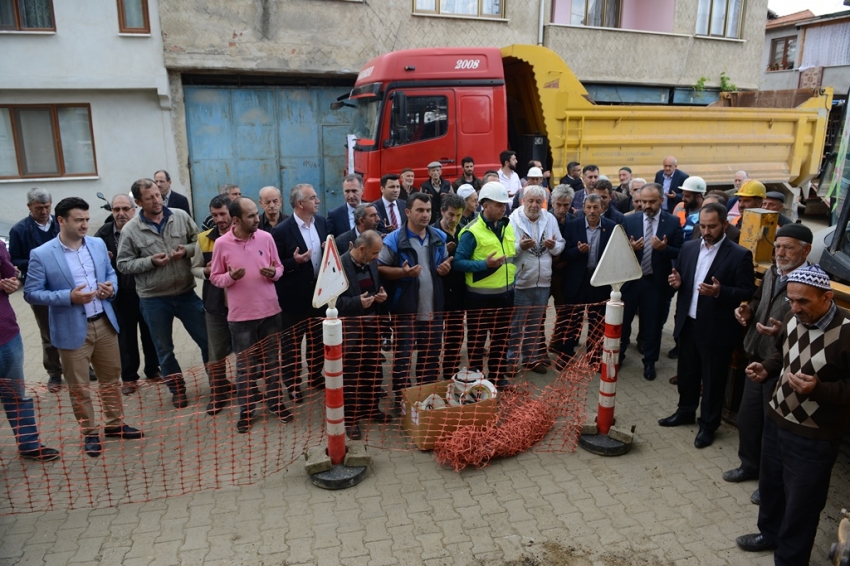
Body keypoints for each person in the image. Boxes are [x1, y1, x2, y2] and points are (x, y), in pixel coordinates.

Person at [735, 264, 850, 563]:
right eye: (792, 300)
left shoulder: (847, 332)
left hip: (815, 436)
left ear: (826, 297)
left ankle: (790, 558)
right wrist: (767, 368)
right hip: (776, 419)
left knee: (802, 504)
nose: (796, 308)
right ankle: (768, 533)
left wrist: (819, 389)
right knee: (771, 487)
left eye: (804, 302)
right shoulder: (790, 316)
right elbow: (782, 354)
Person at [25, 197, 144, 458]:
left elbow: (109, 273)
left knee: (111, 378)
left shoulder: (97, 244)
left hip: (103, 322)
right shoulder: (42, 254)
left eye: (87, 220)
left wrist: (110, 288)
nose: (84, 225)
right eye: (78, 220)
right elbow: (31, 293)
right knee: (79, 386)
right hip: (70, 328)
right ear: (61, 221)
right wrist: (68, 297)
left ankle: (115, 424)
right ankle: (90, 432)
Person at [722, 224, 812, 501]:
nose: (780, 252)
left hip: (784, 363)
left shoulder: (811, 280)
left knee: (774, 429)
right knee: (749, 419)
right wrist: (747, 311)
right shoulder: (773, 272)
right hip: (756, 356)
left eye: (788, 247)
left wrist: (781, 331)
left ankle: (770, 484)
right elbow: (760, 300)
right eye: (778, 246)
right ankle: (749, 466)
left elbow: (810, 322)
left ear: (806, 250)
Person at [660, 203, 755, 448]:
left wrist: (721, 292)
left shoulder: (739, 254)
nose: (706, 231)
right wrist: (677, 281)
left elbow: (746, 290)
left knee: (713, 380)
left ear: (725, 224)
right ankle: (685, 411)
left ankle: (709, 425)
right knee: (687, 372)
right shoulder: (689, 248)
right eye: (702, 226)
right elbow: (681, 277)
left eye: (712, 226)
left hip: (717, 328)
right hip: (688, 322)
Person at [117, 178, 209, 409]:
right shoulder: (130, 230)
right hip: (153, 299)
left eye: (157, 195)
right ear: (138, 202)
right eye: (149, 198)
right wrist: (149, 262)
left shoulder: (180, 216)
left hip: (186, 294)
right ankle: (177, 390)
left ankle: (219, 382)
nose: (156, 200)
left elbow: (197, 243)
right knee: (164, 350)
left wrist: (185, 251)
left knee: (209, 341)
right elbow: (123, 264)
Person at [210, 197, 288, 434]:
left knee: (274, 363)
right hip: (241, 317)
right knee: (245, 367)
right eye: (251, 216)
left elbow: (280, 268)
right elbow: (215, 277)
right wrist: (231, 278)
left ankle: (276, 403)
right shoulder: (222, 244)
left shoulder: (266, 237)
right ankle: (247, 410)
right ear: (236, 220)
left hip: (270, 312)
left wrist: (274, 272)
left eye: (256, 214)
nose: (257, 219)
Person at [378, 192, 451, 400]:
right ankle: (402, 400)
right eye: (420, 210)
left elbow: (443, 263)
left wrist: (445, 269)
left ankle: (426, 398)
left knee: (430, 358)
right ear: (408, 212)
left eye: (428, 210)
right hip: (406, 310)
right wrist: (403, 273)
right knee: (403, 359)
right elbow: (380, 268)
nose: (425, 215)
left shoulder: (439, 237)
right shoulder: (394, 240)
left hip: (433, 310)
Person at [94, 194, 161, 396]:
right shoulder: (102, 235)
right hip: (122, 295)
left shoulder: (143, 228)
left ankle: (153, 370)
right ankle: (129, 377)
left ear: (134, 209)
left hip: (147, 290)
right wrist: (102, 259)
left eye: (125, 209)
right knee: (126, 337)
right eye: (116, 209)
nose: (121, 214)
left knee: (151, 333)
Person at [0, 239, 60, 462]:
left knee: (16, 394)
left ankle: (29, 443)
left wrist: (11, 281)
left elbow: (10, 276)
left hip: (7, 334)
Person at [454, 182, 517, 388]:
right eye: (499, 205)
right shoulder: (471, 231)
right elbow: (458, 262)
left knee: (501, 340)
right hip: (479, 299)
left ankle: (498, 377)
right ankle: (475, 381)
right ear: (485, 205)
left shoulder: (507, 226)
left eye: (504, 205)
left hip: (505, 296)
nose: (503, 208)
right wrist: (484, 264)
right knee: (477, 342)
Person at [620, 184, 684, 379]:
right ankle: (618, 357)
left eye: (651, 202)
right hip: (631, 282)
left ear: (661, 201)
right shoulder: (629, 220)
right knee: (623, 322)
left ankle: (649, 363)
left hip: (655, 283)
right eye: (643, 201)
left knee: (653, 326)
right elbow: (617, 249)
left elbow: (681, 252)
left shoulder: (672, 222)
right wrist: (630, 247)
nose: (646, 205)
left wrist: (665, 249)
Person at [272, 184, 328, 401]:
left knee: (317, 340)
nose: (318, 201)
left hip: (319, 296)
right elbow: (274, 265)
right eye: (313, 198)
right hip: (293, 298)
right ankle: (293, 384)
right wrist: (293, 262)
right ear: (300, 203)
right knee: (292, 345)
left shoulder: (321, 223)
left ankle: (315, 375)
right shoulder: (282, 230)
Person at [337, 230, 390, 439]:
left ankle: (371, 408)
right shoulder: (338, 265)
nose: (378, 257)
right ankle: (350, 420)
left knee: (374, 371)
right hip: (350, 333)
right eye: (375, 253)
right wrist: (356, 303)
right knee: (351, 378)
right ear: (361, 249)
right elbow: (331, 303)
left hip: (371, 329)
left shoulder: (372, 263)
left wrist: (381, 296)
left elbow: (375, 287)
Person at [9, 187, 63, 392]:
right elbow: (14, 259)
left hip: (64, 284)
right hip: (38, 287)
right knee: (48, 332)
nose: (44, 211)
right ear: (29, 207)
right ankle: (55, 373)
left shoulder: (60, 223)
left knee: (75, 327)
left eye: (47, 207)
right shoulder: (19, 230)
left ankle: (82, 367)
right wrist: (38, 261)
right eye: (39, 208)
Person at [508, 185, 565, 373]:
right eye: (530, 200)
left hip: (543, 281)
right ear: (523, 200)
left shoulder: (549, 218)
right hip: (521, 281)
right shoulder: (512, 220)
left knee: (535, 324)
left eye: (538, 202)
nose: (534, 205)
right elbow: (507, 250)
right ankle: (510, 361)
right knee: (516, 325)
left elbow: (560, 245)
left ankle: (531, 359)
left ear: (543, 203)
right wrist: (519, 246)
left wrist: (554, 245)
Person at [556, 194, 615, 367]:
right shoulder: (573, 226)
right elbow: (564, 254)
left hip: (599, 281)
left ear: (602, 208)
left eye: (596, 207)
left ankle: (594, 357)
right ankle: (565, 355)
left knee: (597, 321)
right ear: (583, 208)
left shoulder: (611, 228)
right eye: (588, 207)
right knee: (571, 320)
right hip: (576, 280)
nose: (591, 211)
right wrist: (577, 251)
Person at [191, 195, 235, 415]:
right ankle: (217, 394)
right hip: (214, 306)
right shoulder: (203, 239)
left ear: (232, 214)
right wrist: (206, 272)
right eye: (214, 215)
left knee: (247, 353)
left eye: (223, 214)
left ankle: (250, 391)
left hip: (242, 307)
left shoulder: (244, 236)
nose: (219, 219)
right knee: (215, 354)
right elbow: (194, 268)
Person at [435, 193, 467, 378]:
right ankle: (429, 375)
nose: (454, 219)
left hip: (458, 292)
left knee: (455, 335)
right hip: (437, 293)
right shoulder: (431, 233)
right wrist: (441, 254)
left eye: (458, 215)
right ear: (442, 212)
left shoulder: (464, 232)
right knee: (434, 337)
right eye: (450, 215)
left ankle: (450, 372)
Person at [672, 176, 706, 240]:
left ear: (698, 197)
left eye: (687, 196)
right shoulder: (679, 207)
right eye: (683, 195)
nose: (683, 199)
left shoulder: (708, 211)